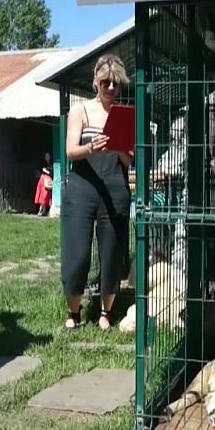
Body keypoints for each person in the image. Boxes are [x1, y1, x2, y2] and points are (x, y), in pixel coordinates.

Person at [60, 54, 133, 331]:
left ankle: (105, 313)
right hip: (82, 188)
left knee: (111, 252)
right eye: (106, 82)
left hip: (115, 189)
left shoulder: (125, 115)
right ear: (95, 82)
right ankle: (74, 312)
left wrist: (118, 146)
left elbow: (129, 161)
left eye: (116, 83)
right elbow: (70, 152)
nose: (111, 88)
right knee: (77, 253)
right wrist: (92, 148)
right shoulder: (80, 111)